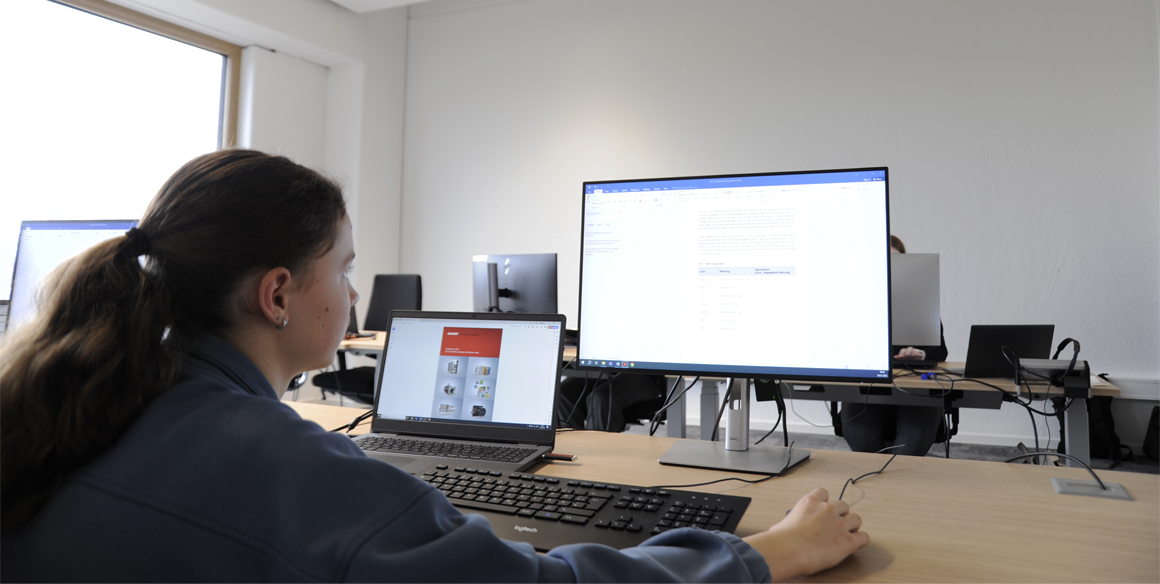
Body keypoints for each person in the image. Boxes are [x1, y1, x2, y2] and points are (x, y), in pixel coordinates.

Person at [1, 149, 868, 582]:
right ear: (277, 294)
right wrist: (765, 553)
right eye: (344, 269)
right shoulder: (294, 470)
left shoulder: (74, 407)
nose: (352, 293)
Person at [839, 235, 948, 457]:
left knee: (913, 441)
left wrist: (921, 353)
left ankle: (899, 476)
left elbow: (941, 351)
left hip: (914, 384)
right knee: (860, 436)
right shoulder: (854, 303)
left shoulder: (919, 302)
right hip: (869, 384)